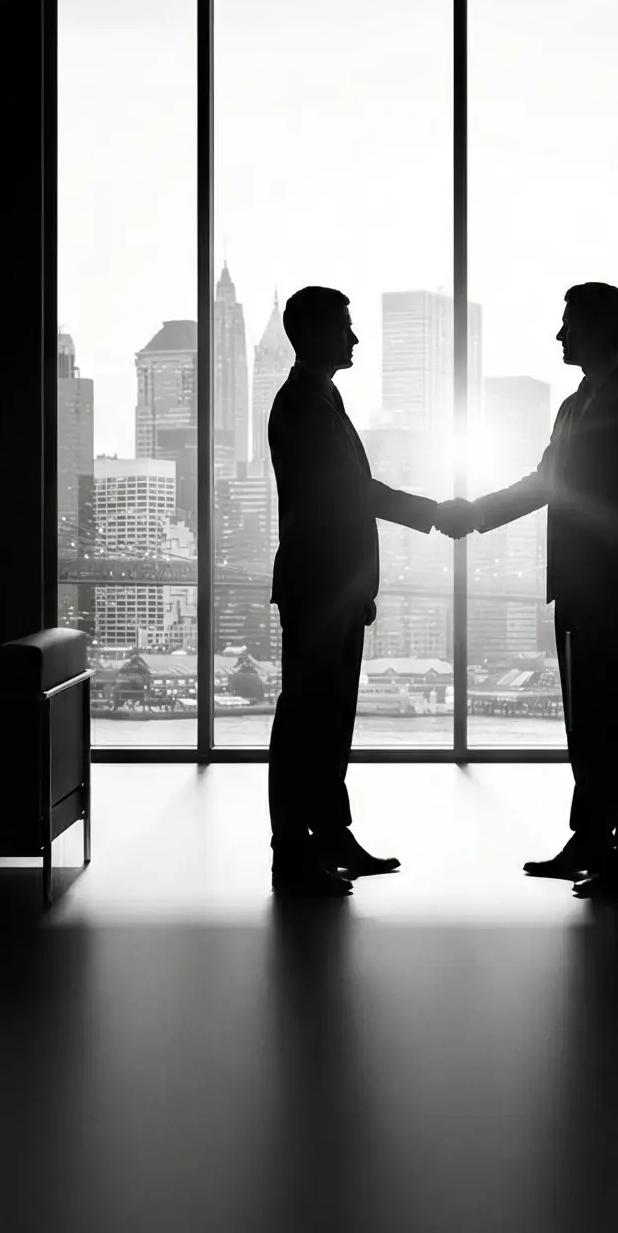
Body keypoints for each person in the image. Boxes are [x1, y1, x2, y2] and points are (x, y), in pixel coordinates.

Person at [441, 283, 618, 899]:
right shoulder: (572, 407)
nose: (560, 334)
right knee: (587, 726)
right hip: (575, 588)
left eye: (570, 323)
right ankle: (590, 842)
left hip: (613, 590)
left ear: (601, 329)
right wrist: (478, 513)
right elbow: (546, 481)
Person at [267, 285, 443, 896]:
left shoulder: (322, 398)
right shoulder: (302, 405)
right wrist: (432, 513)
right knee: (306, 722)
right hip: (318, 589)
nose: (355, 338)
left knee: (329, 721)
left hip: (334, 589)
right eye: (345, 327)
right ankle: (293, 853)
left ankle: (330, 836)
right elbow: (351, 495)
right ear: (316, 333)